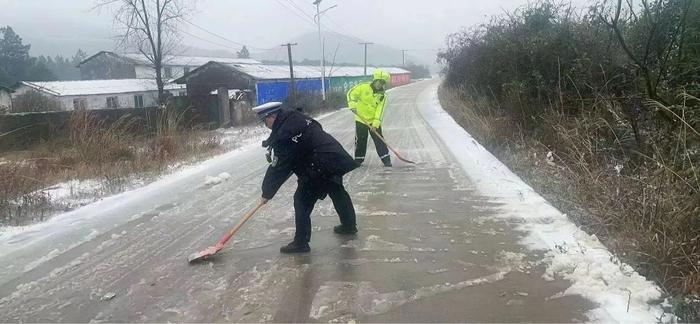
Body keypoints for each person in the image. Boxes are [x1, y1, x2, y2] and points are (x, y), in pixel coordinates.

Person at [254, 101, 360, 253]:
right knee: (336, 190)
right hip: (333, 156)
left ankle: (301, 242)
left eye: (265, 121)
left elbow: (279, 167)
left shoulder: (285, 133)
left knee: (301, 200)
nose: (265, 125)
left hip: (319, 164)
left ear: (272, 116)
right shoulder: (297, 117)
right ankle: (349, 225)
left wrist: (267, 193)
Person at [346, 69, 392, 167]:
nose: (380, 85)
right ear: (375, 81)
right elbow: (351, 93)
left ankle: (386, 159)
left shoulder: (382, 96)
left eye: (383, 83)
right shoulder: (363, 87)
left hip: (373, 121)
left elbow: (380, 111)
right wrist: (352, 105)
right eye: (379, 82)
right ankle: (358, 160)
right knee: (361, 139)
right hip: (361, 118)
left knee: (379, 139)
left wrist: (375, 124)